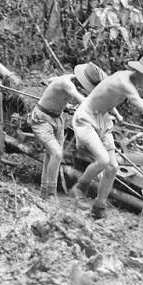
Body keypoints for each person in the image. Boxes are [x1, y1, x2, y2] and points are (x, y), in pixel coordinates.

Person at [70, 51, 143, 219]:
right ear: (141, 72)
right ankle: (80, 188)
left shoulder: (127, 80)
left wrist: (116, 114)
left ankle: (99, 206)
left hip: (103, 119)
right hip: (86, 118)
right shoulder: (125, 82)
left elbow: (105, 95)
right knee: (102, 160)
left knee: (113, 167)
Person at [30, 62, 104, 199]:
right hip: (42, 118)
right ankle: (51, 194)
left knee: (51, 156)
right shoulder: (67, 83)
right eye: (84, 86)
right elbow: (82, 100)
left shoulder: (67, 81)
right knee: (57, 154)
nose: (84, 88)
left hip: (57, 119)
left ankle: (43, 192)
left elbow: (52, 82)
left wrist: (68, 106)